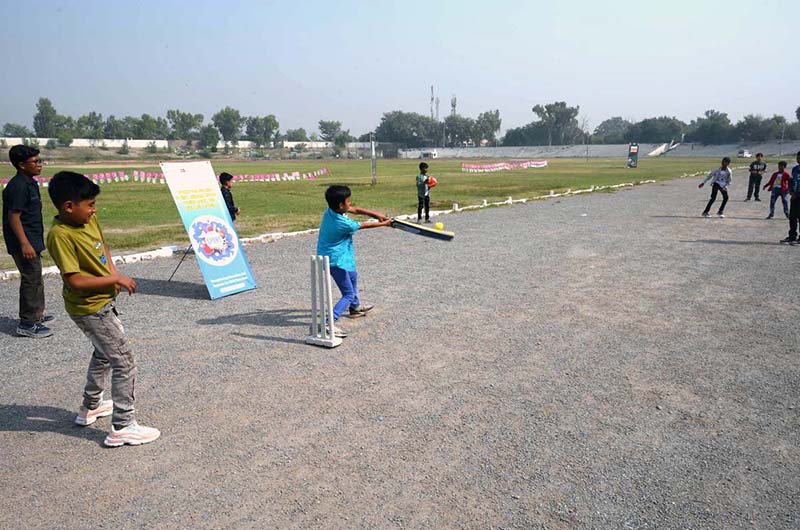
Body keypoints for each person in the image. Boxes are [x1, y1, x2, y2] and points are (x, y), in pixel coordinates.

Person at [45, 171, 160, 447]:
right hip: (89, 308)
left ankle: (91, 406)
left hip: (102, 301)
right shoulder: (60, 236)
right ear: (68, 207)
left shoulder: (90, 220)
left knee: (104, 353)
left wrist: (112, 271)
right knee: (124, 359)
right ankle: (123, 425)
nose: (94, 210)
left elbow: (102, 247)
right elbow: (75, 280)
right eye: (90, 205)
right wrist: (115, 279)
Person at [316, 185, 391, 336]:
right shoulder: (342, 223)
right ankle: (327, 322)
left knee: (353, 277)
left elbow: (356, 210)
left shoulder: (332, 210)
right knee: (348, 294)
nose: (350, 204)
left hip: (342, 255)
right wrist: (385, 224)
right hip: (334, 260)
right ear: (341, 205)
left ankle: (354, 308)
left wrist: (377, 215)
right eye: (348, 201)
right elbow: (364, 225)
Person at [2, 145, 53, 338]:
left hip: (32, 237)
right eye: (35, 162)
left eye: (40, 160)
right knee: (31, 279)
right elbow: (14, 216)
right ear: (22, 165)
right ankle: (27, 322)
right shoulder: (19, 186)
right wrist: (24, 243)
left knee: (36, 276)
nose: (40, 165)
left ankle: (36, 314)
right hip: (24, 241)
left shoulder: (29, 182)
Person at [780, 151, 800, 245]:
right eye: (798, 157)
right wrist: (791, 192)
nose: (798, 159)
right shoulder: (795, 169)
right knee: (792, 217)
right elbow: (791, 181)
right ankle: (792, 236)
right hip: (794, 197)